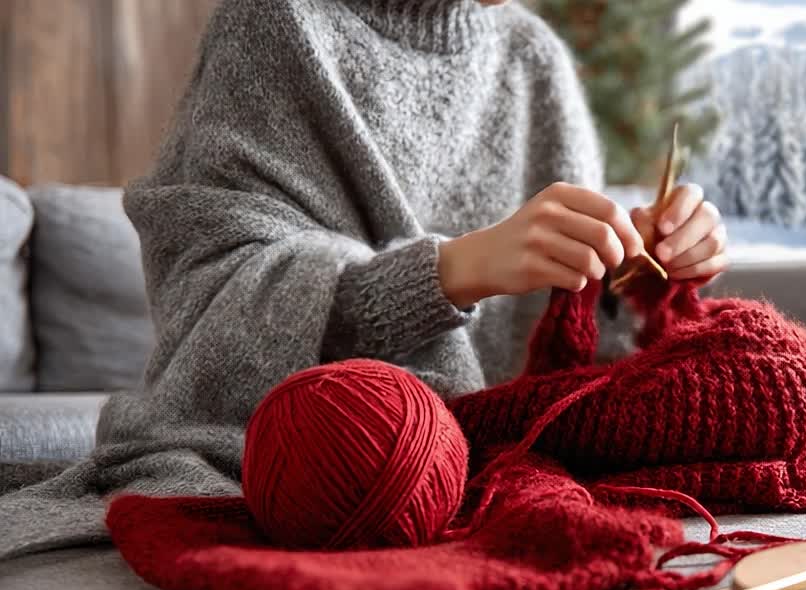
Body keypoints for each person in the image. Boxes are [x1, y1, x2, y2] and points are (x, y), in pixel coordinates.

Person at [0, 0, 728, 560]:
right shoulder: (280, 24)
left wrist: (638, 273)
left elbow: (570, 340)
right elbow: (209, 297)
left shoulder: (535, 58)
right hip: (333, 455)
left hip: (503, 453)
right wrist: (451, 272)